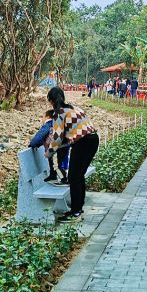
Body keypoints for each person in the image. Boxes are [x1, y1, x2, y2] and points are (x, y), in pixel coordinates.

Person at [47, 86, 99, 223]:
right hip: (93, 139)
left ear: (51, 101)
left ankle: (75, 212)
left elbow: (57, 138)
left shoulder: (59, 113)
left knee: (73, 177)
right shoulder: (75, 108)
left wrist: (49, 152)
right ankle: (78, 208)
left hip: (83, 142)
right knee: (78, 175)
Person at [28, 110, 68, 184]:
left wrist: (33, 144)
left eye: (43, 117)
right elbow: (45, 139)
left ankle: (64, 180)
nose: (42, 119)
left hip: (56, 148)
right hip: (63, 146)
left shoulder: (48, 124)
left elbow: (40, 136)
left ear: (48, 117)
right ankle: (52, 176)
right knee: (53, 162)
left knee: (56, 165)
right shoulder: (58, 124)